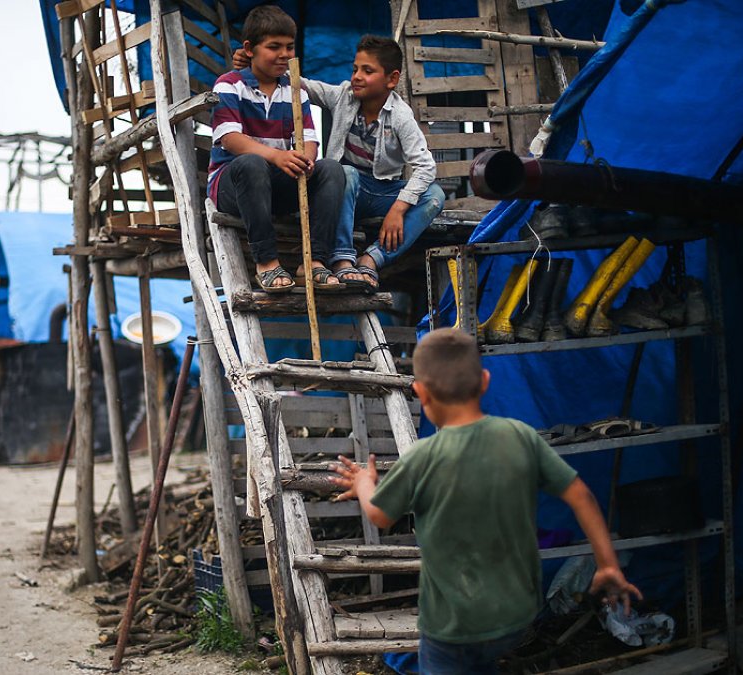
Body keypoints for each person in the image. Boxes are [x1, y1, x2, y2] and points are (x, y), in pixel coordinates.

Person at [332, 328, 640, 674]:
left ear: (419, 392)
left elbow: (380, 515)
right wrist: (608, 564)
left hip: (452, 626)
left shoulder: (422, 457)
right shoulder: (520, 437)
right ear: (485, 381)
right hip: (515, 618)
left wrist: (363, 483)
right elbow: (581, 495)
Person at [234, 35, 444, 290]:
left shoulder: (401, 116)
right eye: (355, 69)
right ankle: (343, 260)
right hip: (344, 189)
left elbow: (426, 167)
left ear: (392, 79)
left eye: (368, 71)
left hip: (380, 193)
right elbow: (304, 85)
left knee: (434, 195)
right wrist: (255, 61)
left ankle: (371, 259)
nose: (357, 76)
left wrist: (398, 209)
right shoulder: (344, 95)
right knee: (346, 172)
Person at [209, 5, 356, 293]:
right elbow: (230, 139)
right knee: (252, 163)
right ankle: (266, 262)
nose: (284, 54)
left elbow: (310, 139)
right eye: (274, 46)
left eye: (289, 47)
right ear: (249, 49)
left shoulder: (296, 91)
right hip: (234, 187)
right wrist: (277, 156)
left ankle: (313, 262)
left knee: (331, 169)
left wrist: (307, 160)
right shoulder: (229, 85)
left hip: (277, 186)